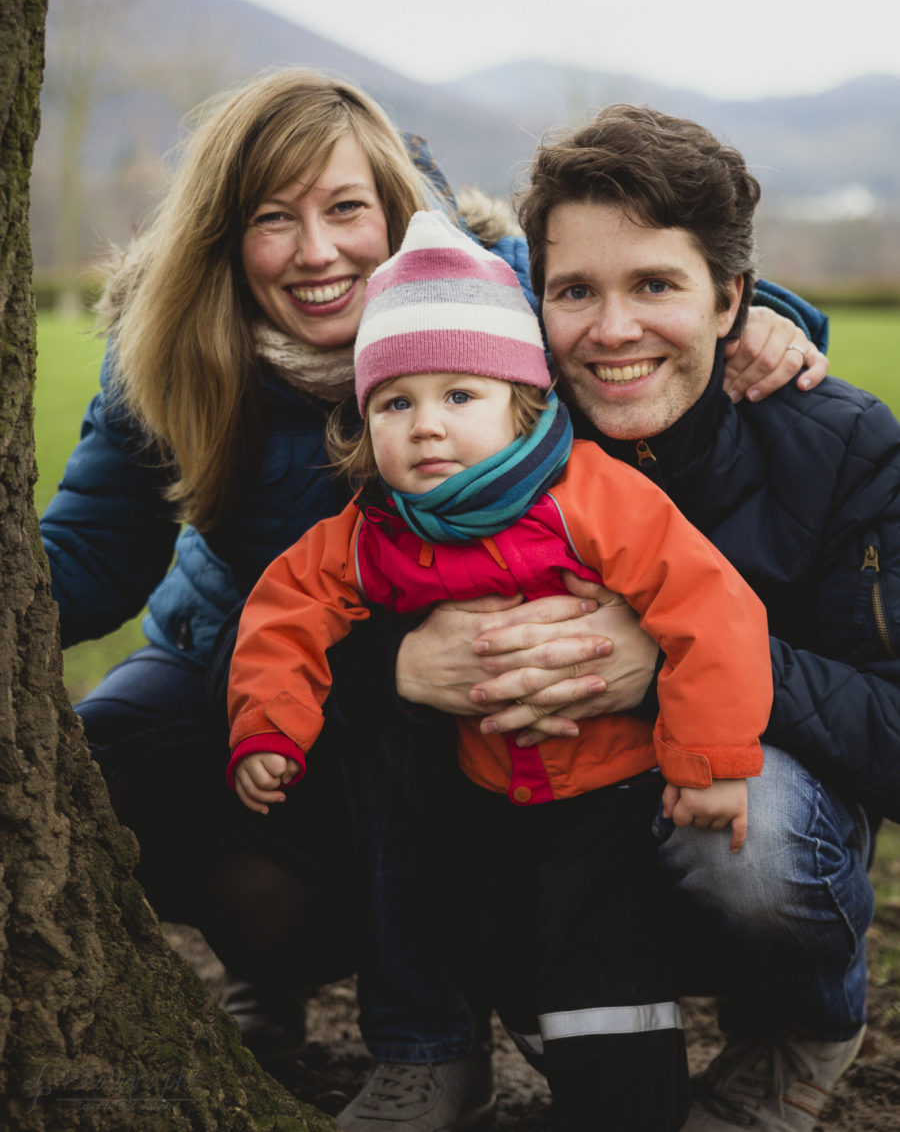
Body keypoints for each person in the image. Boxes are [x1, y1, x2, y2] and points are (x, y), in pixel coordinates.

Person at [39, 65, 826, 1127]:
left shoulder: (488, 292)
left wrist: (765, 314)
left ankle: (442, 1041)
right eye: (274, 220)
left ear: (395, 209)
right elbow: (94, 543)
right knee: (99, 764)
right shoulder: (175, 344)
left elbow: (624, 304)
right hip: (242, 648)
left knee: (461, 789)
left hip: (482, 677)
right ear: (227, 238)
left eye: (347, 209)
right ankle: (271, 961)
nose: (317, 253)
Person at [374, 104, 899, 1131]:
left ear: (730, 299)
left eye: (656, 285)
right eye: (576, 291)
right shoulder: (486, 437)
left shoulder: (843, 449)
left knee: (758, 835)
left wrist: (678, 659)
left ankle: (804, 1027)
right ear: (536, 304)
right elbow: (326, 597)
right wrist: (398, 662)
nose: (612, 331)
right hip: (554, 823)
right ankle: (505, 1030)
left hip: (734, 833)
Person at [226, 207, 772, 1131]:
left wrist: (711, 758)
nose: (426, 427)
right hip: (477, 798)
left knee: (609, 980)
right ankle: (535, 1055)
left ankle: (631, 1103)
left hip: (608, 795)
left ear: (522, 404)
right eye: (396, 404)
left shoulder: (589, 496)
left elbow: (710, 608)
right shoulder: (374, 531)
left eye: (459, 397)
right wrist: (268, 727)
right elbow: (284, 615)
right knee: (503, 954)